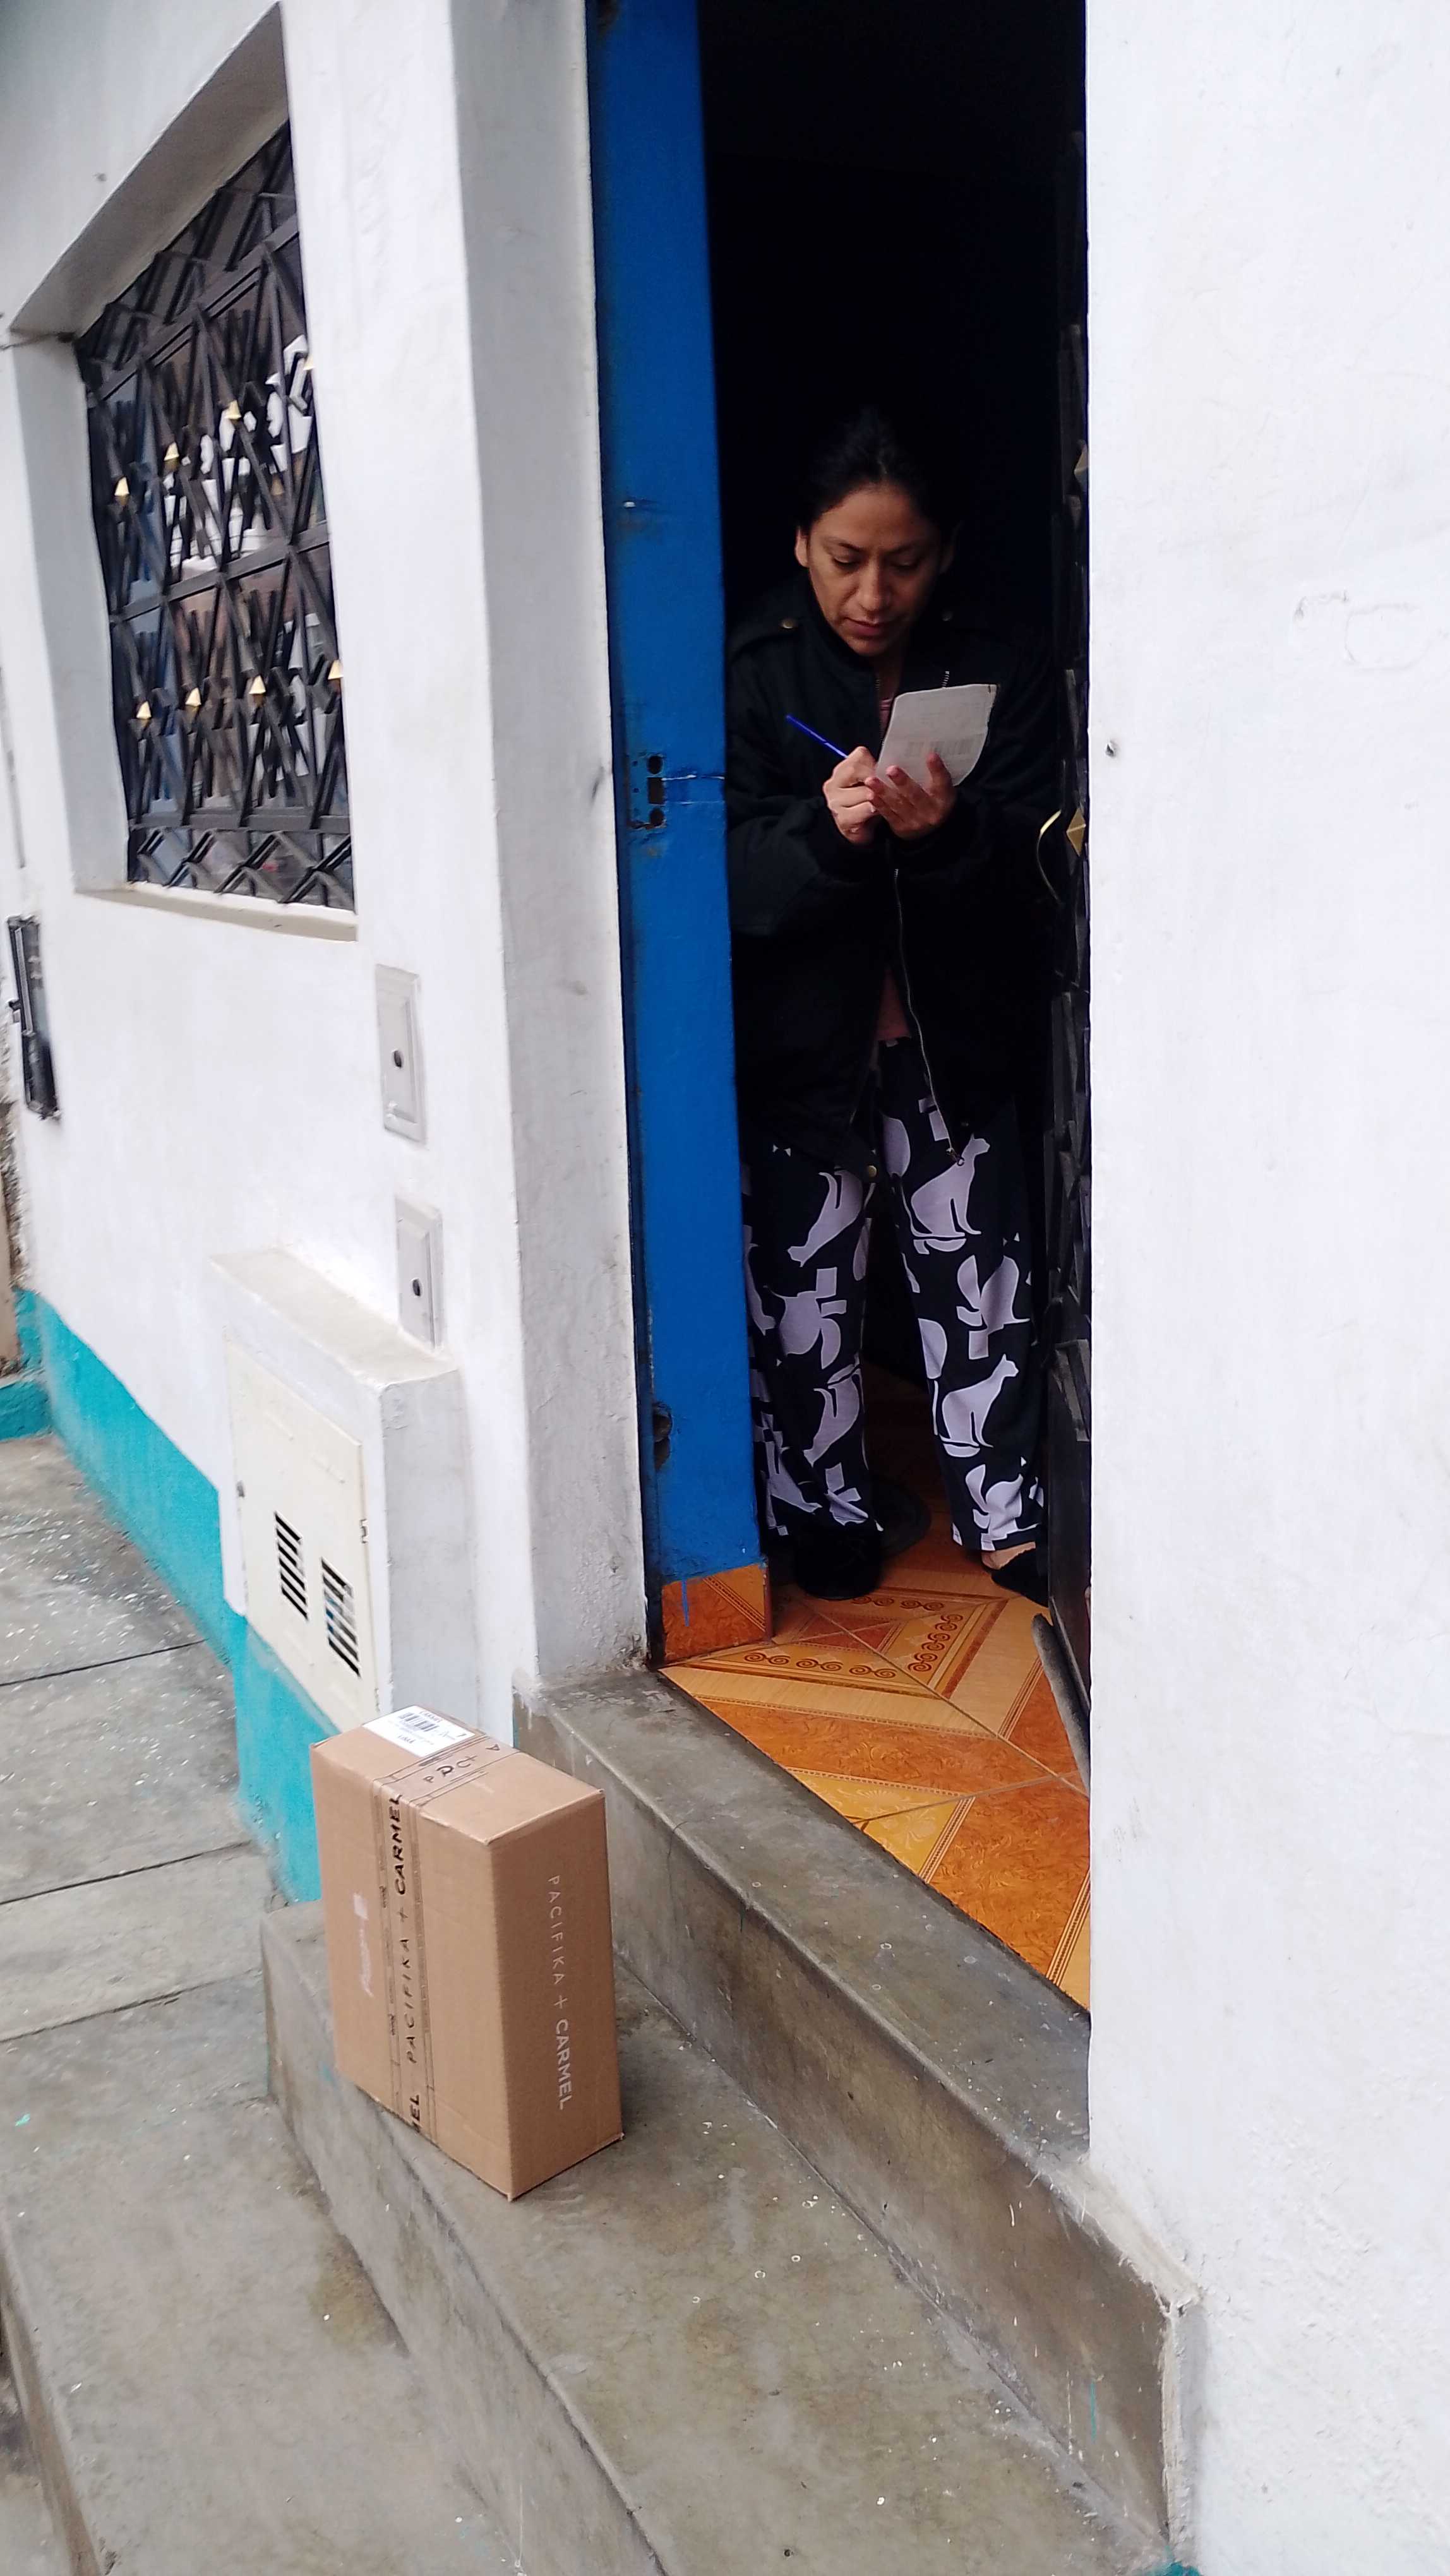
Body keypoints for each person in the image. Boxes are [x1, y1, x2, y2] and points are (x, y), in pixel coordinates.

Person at [726, 407, 1058, 1603]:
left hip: (948, 1029)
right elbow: (724, 873)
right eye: (846, 559)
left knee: (981, 1281)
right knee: (804, 1286)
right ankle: (822, 1510)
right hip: (808, 1040)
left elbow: (1042, 859)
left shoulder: (999, 660)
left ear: (946, 552)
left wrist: (949, 834)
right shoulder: (754, 667)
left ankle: (1005, 1514)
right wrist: (826, 833)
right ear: (801, 544)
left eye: (905, 562)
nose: (874, 594)